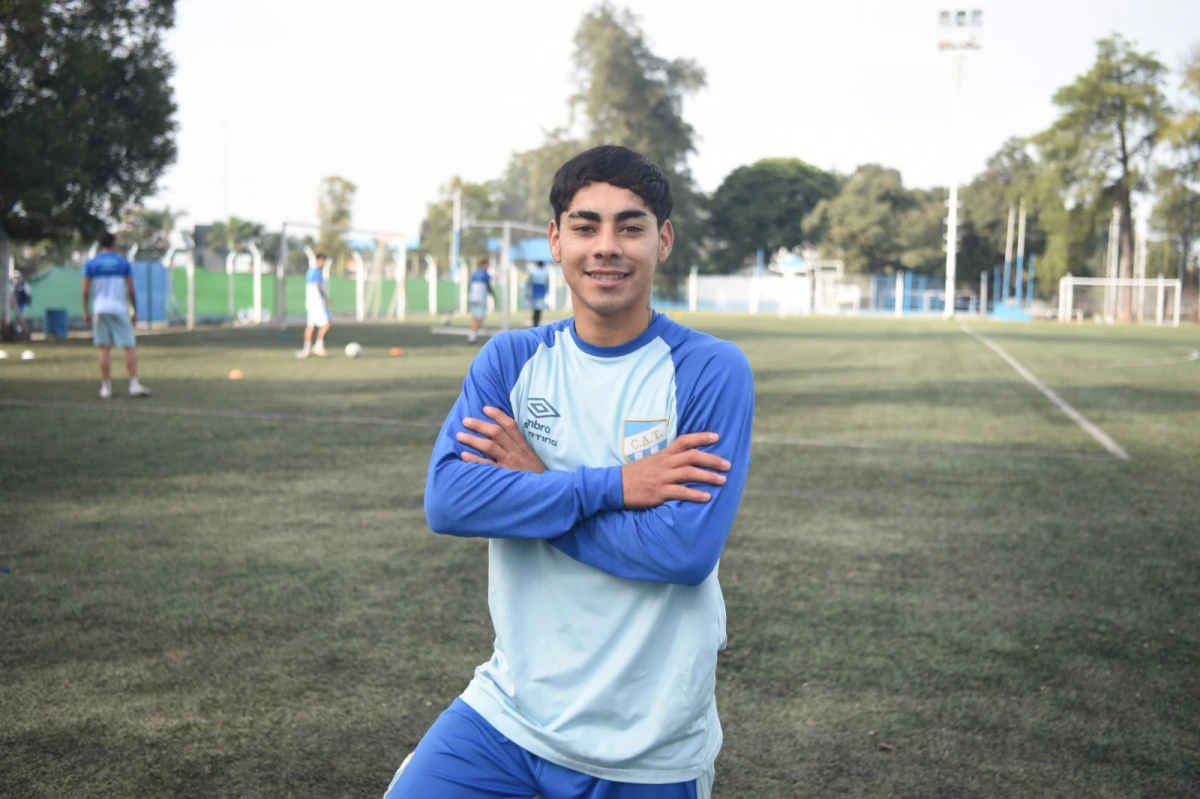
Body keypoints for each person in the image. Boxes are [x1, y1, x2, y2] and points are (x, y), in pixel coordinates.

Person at [386, 145, 755, 799]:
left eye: (630, 226)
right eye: (586, 226)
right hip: (507, 716)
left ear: (663, 240)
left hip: (647, 745)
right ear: (556, 240)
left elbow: (682, 549)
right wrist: (614, 484)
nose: (606, 246)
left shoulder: (708, 369)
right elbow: (450, 500)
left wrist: (531, 485)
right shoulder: (510, 360)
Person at [82, 232, 150, 399]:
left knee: (103, 347)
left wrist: (85, 311)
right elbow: (131, 289)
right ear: (113, 243)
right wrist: (134, 310)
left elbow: (85, 290)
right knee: (129, 346)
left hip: (99, 309)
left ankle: (106, 387)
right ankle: (133, 384)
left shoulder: (92, 263)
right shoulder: (123, 263)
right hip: (119, 308)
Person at [300, 253, 331, 357]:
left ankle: (307, 347)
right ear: (319, 260)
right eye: (323, 262)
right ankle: (318, 346)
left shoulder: (310, 272)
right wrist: (325, 298)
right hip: (317, 303)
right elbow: (317, 286)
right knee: (327, 324)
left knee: (311, 325)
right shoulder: (317, 272)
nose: (324, 264)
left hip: (310, 303)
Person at [467, 259, 496, 344]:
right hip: (480, 298)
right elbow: (488, 287)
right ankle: (472, 337)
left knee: (475, 318)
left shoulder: (474, 274)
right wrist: (494, 296)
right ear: (484, 265)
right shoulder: (486, 275)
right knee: (479, 318)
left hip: (473, 297)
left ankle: (471, 336)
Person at [526, 259, 551, 327]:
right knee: (539, 309)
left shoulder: (533, 272)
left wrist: (528, 292)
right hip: (541, 291)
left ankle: (535, 323)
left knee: (535, 309)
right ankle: (537, 323)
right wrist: (547, 291)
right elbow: (547, 283)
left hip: (534, 291)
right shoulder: (545, 273)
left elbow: (529, 282)